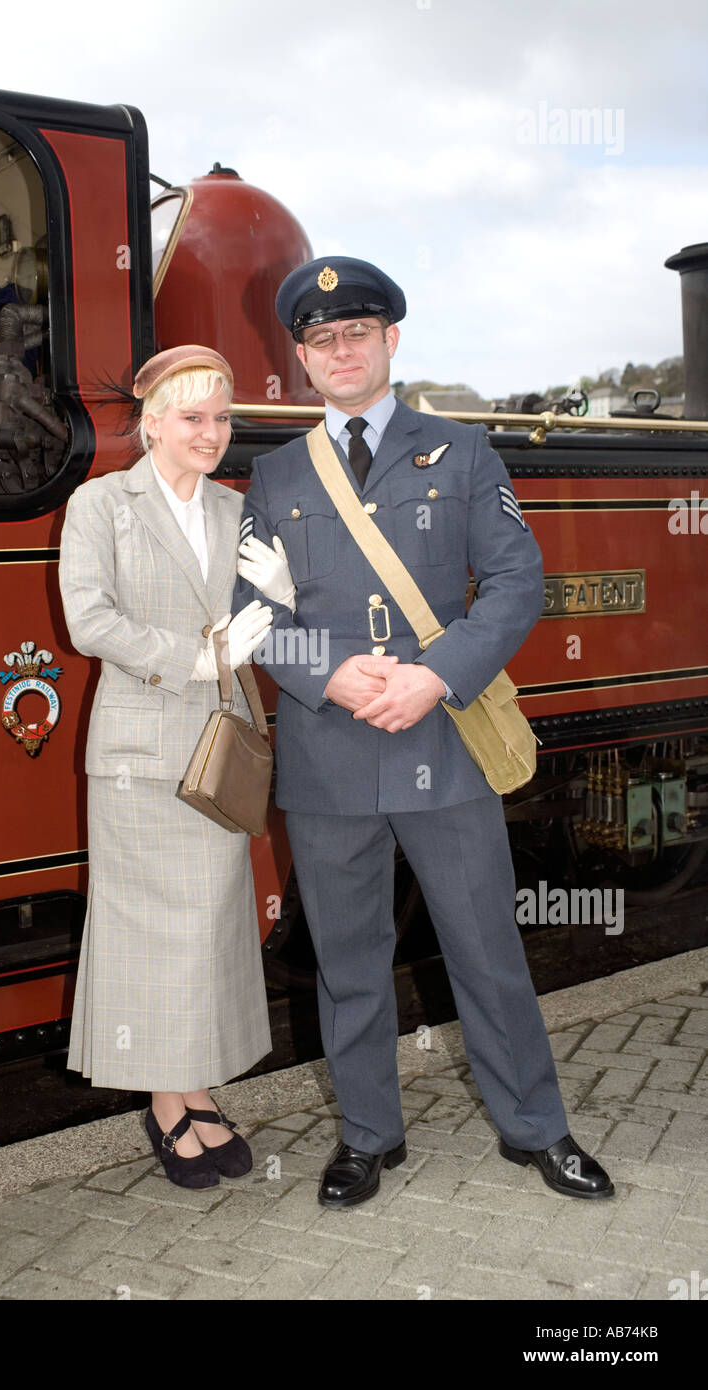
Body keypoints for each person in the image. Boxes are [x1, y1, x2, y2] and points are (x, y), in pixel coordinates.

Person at [234, 257, 614, 1208]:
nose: (340, 350)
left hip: (440, 742)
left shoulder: (464, 450)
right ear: (303, 360)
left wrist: (435, 675)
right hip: (329, 754)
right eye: (321, 340)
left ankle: (538, 1129)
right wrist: (331, 673)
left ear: (391, 340)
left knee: (487, 949)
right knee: (349, 962)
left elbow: (518, 584)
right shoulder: (275, 476)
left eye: (356, 332)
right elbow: (252, 614)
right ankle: (367, 1138)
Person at [59, 345, 273, 1190]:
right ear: (151, 423)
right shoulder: (99, 504)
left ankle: (194, 1087)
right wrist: (193, 657)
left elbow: (262, 620)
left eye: (222, 418)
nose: (213, 433)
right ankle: (168, 1102)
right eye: (194, 418)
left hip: (222, 754)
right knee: (153, 935)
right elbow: (89, 621)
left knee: (211, 928)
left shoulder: (235, 511)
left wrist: (274, 610)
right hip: (142, 756)